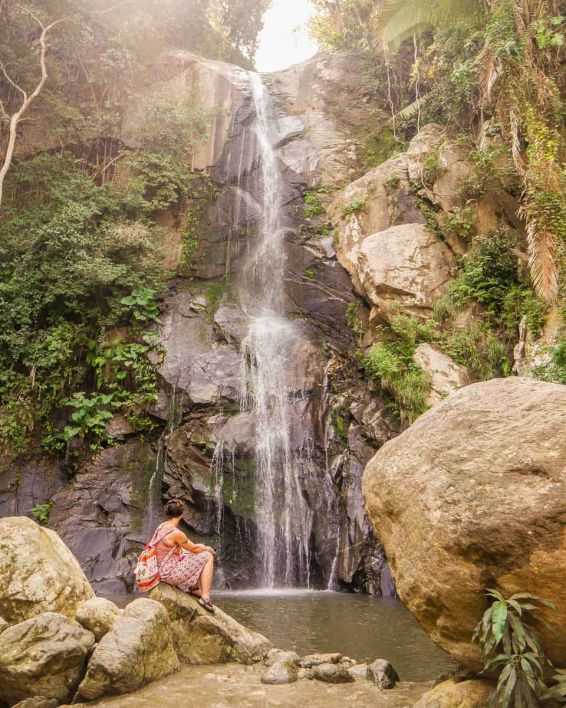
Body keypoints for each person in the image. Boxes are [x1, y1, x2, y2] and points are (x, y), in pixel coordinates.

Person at [151, 498, 216, 613]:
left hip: (160, 569)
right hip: (168, 573)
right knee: (207, 556)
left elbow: (186, 549)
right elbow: (195, 548)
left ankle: (194, 589)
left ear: (168, 513)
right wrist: (207, 548)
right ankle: (205, 597)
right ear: (181, 514)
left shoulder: (162, 526)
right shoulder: (176, 533)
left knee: (189, 553)